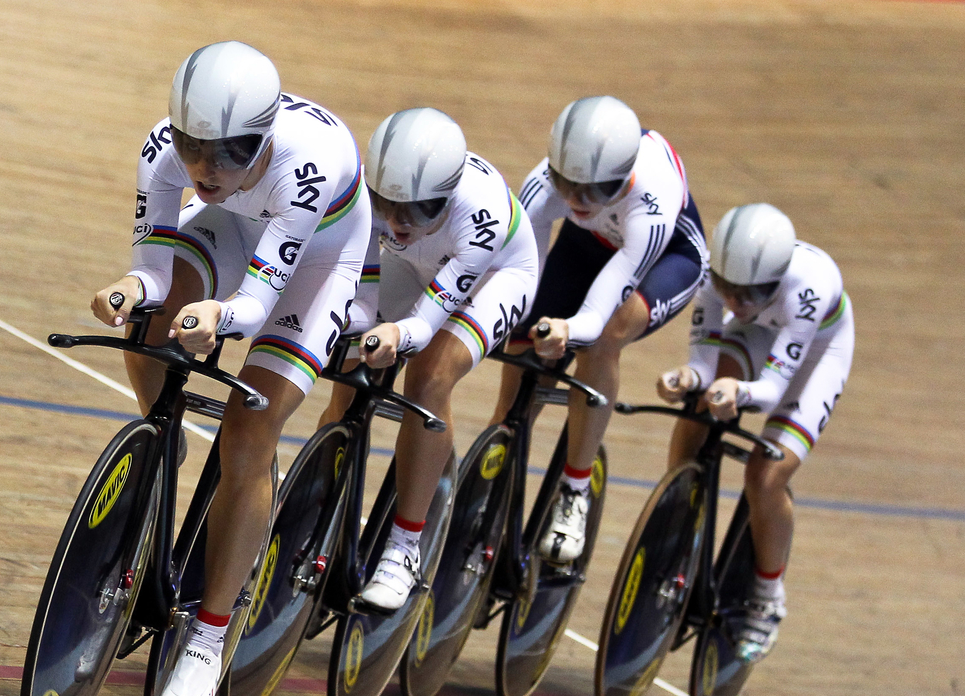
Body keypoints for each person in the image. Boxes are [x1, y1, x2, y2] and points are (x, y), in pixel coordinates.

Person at [90, 41, 371, 696]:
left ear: (265, 136)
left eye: (228, 153)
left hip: (316, 262)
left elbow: (257, 301)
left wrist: (219, 313)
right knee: (150, 322)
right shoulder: (163, 149)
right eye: (191, 147)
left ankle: (209, 635)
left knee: (249, 436)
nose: (204, 169)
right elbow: (155, 266)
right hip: (238, 230)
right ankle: (165, 436)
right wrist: (131, 287)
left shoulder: (308, 165)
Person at [323, 107, 540, 611]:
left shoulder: (478, 213)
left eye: (418, 211)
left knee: (428, 376)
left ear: (445, 196)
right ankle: (322, 491)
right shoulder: (364, 191)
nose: (397, 222)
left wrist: (397, 332)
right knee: (354, 368)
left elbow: (424, 325)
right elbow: (361, 278)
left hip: (492, 277)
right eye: (387, 205)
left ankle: (404, 547)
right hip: (412, 264)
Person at [494, 95, 707, 564]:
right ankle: (494, 465)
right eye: (567, 184)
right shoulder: (543, 184)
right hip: (585, 244)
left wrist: (567, 329)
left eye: (593, 191)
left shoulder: (653, 200)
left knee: (605, 336)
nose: (576, 200)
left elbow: (595, 312)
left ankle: (574, 490)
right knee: (524, 360)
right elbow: (518, 275)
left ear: (625, 177)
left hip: (666, 258)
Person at [656, 202, 853, 662]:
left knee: (766, 476)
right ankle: (678, 521)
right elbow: (703, 364)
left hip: (816, 353)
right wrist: (688, 379)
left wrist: (736, 391)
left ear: (778, 277)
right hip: (759, 334)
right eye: (729, 290)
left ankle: (768, 594)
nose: (736, 303)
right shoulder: (711, 273)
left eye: (752, 292)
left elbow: (768, 392)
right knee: (701, 407)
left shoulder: (808, 289)